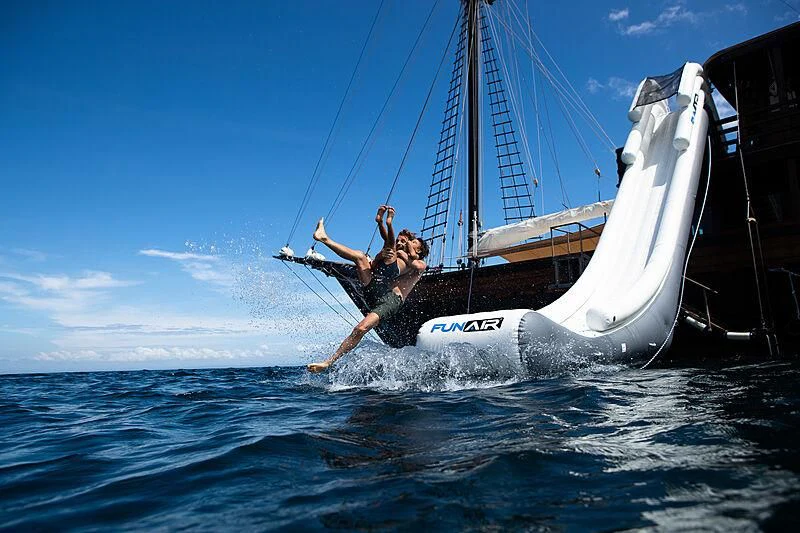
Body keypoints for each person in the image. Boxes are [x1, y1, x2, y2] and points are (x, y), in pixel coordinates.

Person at [307, 210, 429, 373]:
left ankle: (328, 362)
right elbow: (373, 264)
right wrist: (382, 248)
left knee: (360, 329)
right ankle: (323, 238)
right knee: (359, 256)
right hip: (374, 289)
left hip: (390, 300)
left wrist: (399, 241)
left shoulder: (419, 264)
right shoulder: (396, 254)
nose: (408, 242)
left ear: (419, 250)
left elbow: (416, 264)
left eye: (413, 242)